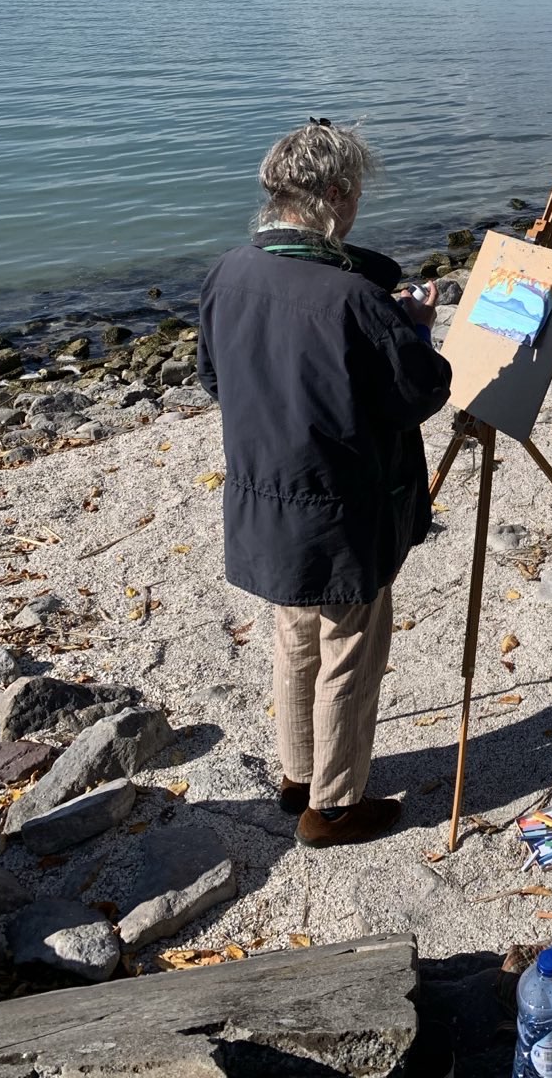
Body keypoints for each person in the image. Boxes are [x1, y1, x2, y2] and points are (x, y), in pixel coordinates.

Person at [196, 120, 452, 848]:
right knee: (347, 646)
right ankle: (334, 807)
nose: (360, 204)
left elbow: (216, 378)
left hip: (261, 495)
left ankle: (297, 774)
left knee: (295, 634)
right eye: (359, 191)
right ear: (336, 195)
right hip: (341, 507)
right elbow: (419, 394)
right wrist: (417, 328)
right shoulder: (353, 299)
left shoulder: (226, 273)